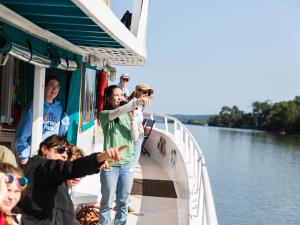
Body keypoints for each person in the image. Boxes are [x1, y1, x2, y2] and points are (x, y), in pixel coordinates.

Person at [15, 134, 127, 225]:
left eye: (67, 152)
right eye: (60, 150)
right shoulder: (42, 166)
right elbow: (70, 168)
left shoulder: (35, 170)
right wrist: (100, 158)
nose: (65, 155)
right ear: (44, 149)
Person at [99, 85, 150, 225]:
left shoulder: (127, 114)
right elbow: (118, 111)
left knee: (123, 203)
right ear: (109, 98)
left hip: (126, 165)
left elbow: (134, 137)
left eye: (121, 95)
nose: (120, 97)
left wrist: (133, 118)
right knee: (107, 203)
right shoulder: (105, 115)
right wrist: (137, 102)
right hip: (110, 166)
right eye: (116, 95)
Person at [15, 75, 70, 165]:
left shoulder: (59, 108)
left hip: (52, 156)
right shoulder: (34, 107)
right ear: (43, 87)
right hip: (33, 155)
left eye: (57, 87)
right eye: (51, 86)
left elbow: (60, 135)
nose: (54, 89)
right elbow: (22, 134)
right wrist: (24, 157)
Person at [128, 83, 154, 165]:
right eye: (145, 91)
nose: (146, 94)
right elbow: (132, 107)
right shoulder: (134, 103)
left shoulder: (138, 104)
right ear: (137, 91)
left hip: (137, 134)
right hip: (136, 135)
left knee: (132, 162)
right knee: (133, 163)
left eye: (148, 93)